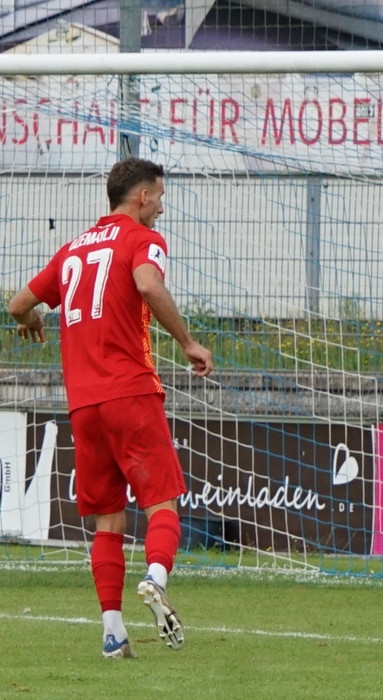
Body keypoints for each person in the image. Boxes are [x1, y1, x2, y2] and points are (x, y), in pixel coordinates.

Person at [8, 157, 213, 659]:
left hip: (83, 404)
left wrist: (32, 319)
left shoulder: (73, 248)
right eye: (159, 197)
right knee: (161, 503)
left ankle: (113, 634)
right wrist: (188, 343)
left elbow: (16, 304)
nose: (161, 208)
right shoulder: (142, 239)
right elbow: (148, 283)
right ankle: (156, 578)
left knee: (107, 521)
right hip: (131, 392)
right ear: (141, 196)